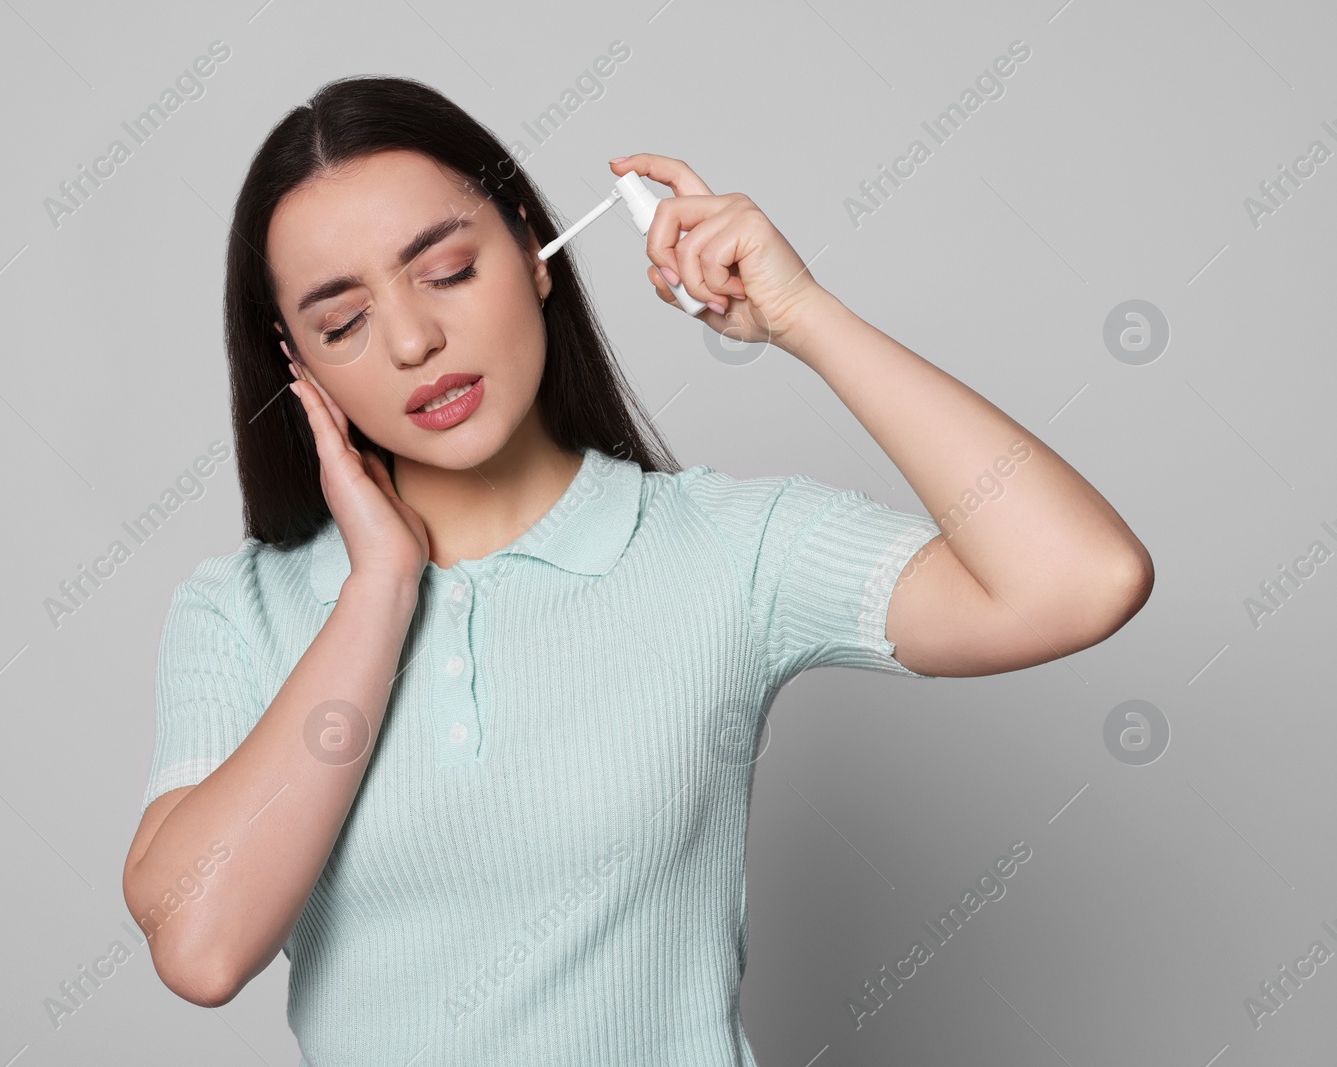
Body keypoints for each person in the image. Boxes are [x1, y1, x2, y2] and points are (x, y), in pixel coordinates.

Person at [121, 74, 1152, 1064]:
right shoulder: (242, 610)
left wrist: (804, 319)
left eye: (445, 271)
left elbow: (1081, 578)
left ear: (533, 248)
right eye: (341, 321)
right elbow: (201, 945)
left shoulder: (723, 549)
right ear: (295, 362)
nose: (413, 338)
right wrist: (380, 588)